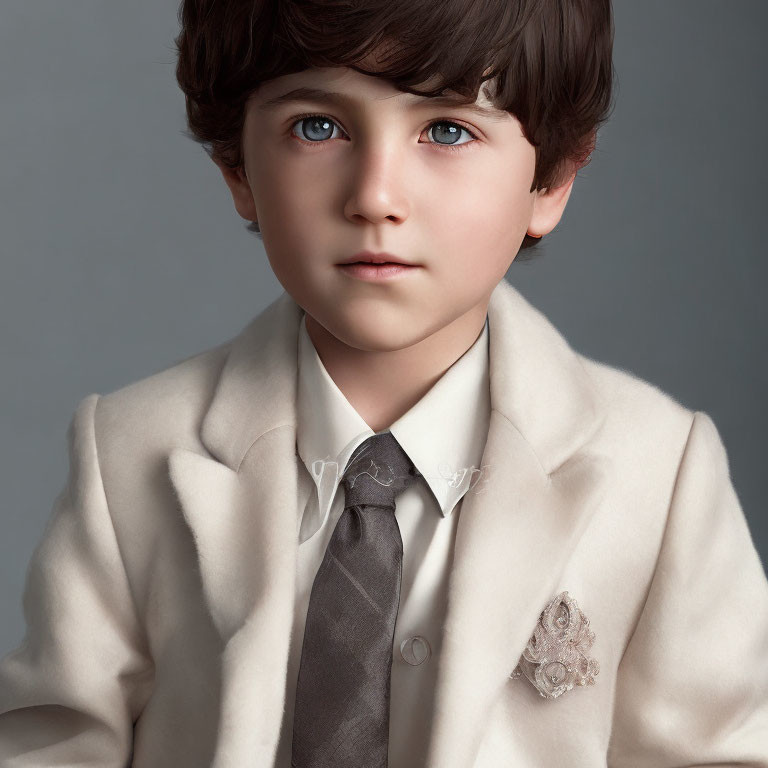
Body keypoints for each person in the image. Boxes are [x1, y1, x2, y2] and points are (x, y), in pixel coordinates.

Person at [1, 0, 767, 766]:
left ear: (553, 178)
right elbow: (53, 745)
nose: (374, 197)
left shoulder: (660, 475)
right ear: (237, 168)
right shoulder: (131, 452)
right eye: (317, 127)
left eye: (447, 130)